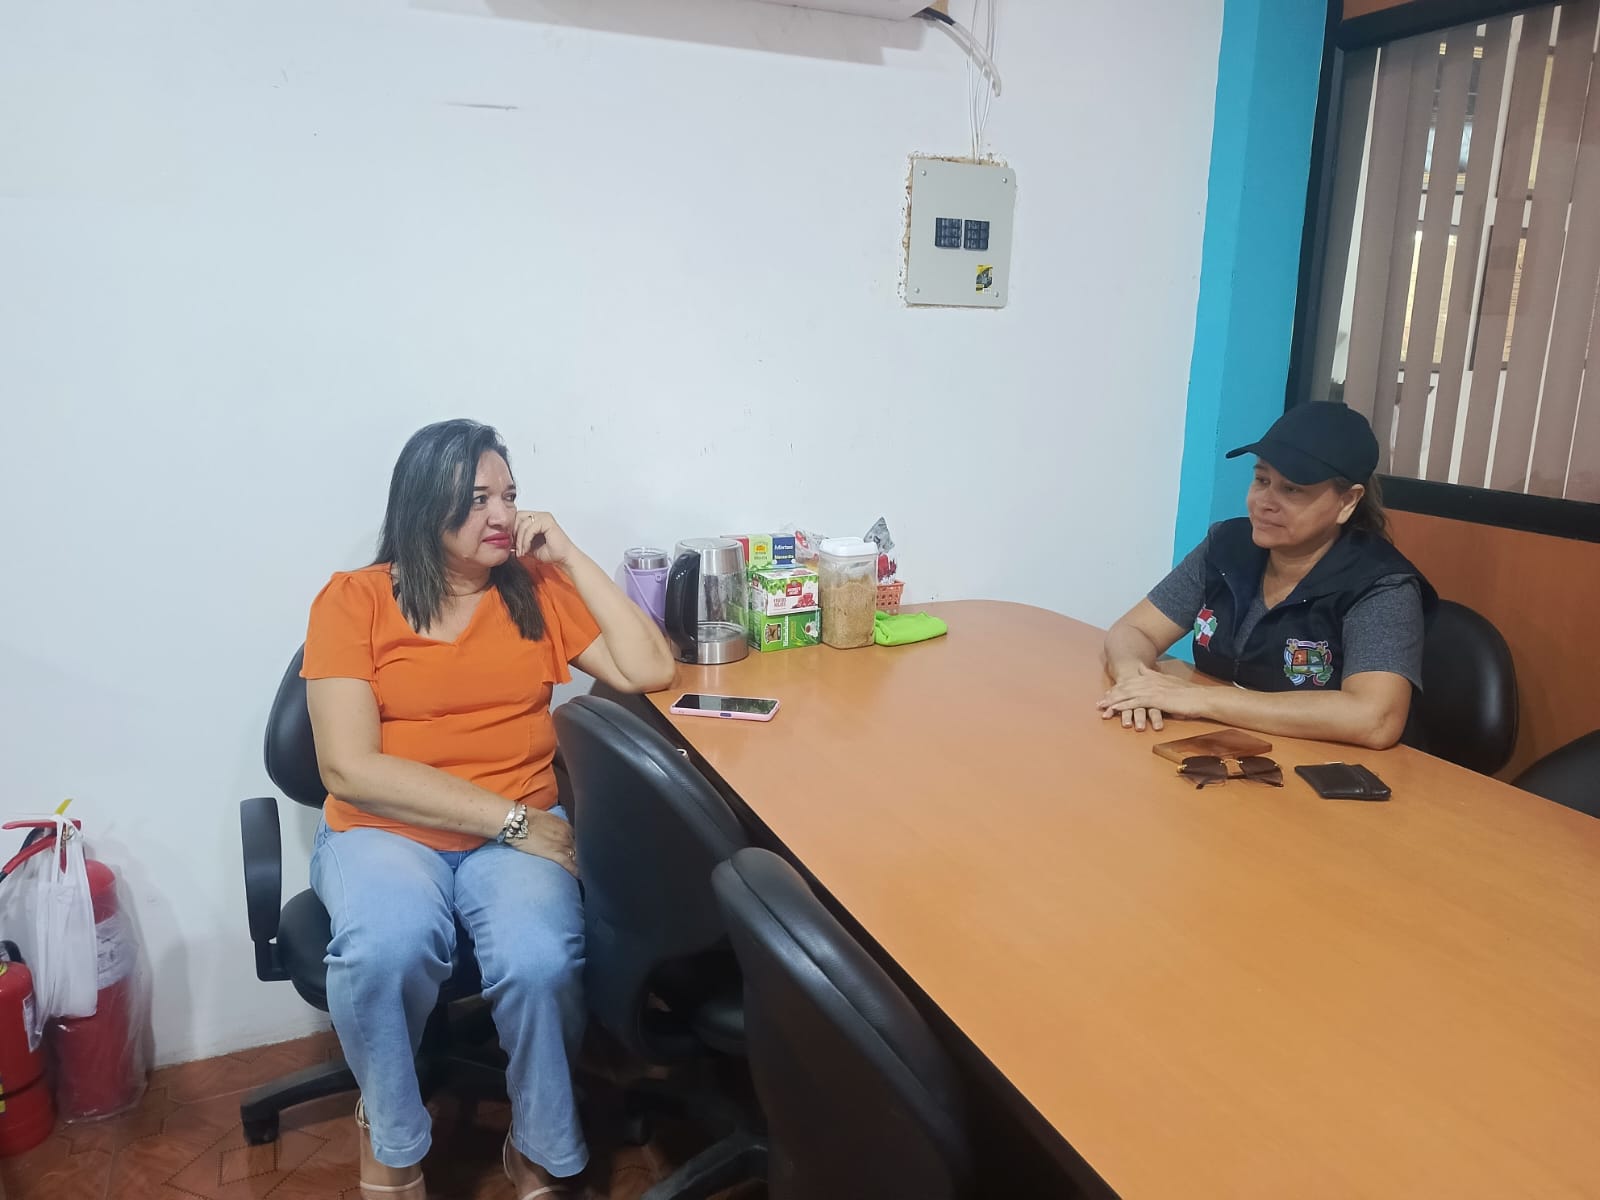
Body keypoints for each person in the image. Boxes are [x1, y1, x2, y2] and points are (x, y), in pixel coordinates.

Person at [300, 419, 676, 1199]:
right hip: (389, 832)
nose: (502, 515)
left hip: (516, 831)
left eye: (509, 495)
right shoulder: (353, 600)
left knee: (541, 962)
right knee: (384, 950)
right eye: (477, 500)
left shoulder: (534, 589)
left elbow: (650, 668)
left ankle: (537, 1143)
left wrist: (569, 554)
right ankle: (391, 1136)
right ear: (422, 505)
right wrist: (512, 821)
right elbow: (347, 766)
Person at [1098, 402, 1436, 749]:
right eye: (1261, 480)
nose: (1264, 502)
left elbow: (1375, 718)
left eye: (1292, 489)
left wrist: (1200, 699)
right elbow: (1133, 630)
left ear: (1348, 501)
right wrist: (1133, 678)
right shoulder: (1226, 546)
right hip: (1228, 749)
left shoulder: (1381, 584)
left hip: (1325, 766)